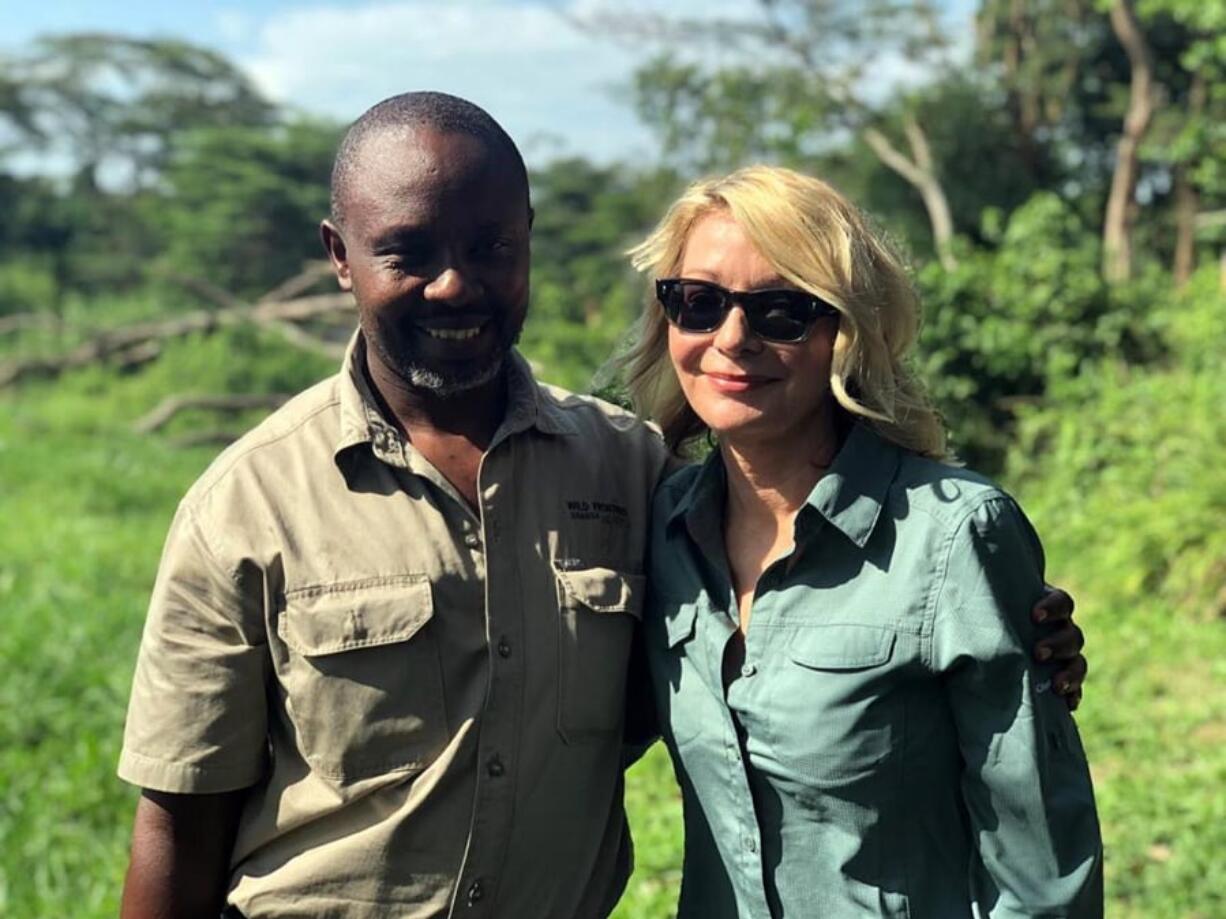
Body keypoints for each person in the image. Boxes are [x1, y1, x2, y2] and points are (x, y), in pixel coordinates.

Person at [117, 93, 1087, 918]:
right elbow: (178, 818)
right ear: (340, 255)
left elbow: (1031, 853)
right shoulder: (246, 503)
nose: (453, 282)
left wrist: (1018, 628)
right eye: (697, 303)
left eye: (783, 308)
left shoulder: (627, 475)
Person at [621, 165, 1102, 917]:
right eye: (699, 303)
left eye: (781, 311)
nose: (731, 337)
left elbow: (1041, 873)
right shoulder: (660, 527)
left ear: (845, 330)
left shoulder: (952, 535)